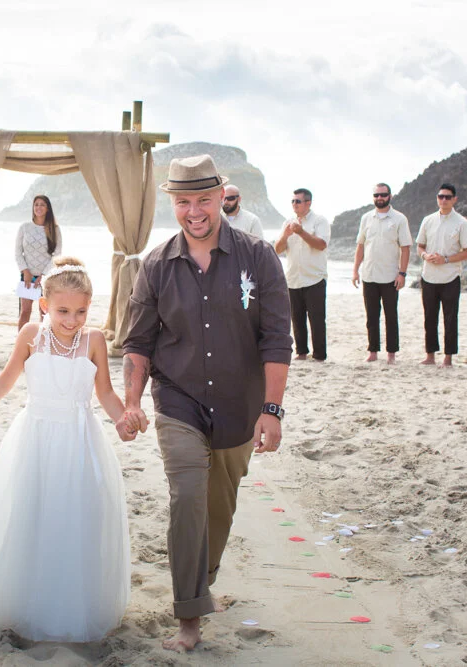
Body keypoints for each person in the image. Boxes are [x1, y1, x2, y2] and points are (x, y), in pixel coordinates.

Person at [123, 155, 292, 652]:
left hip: (241, 404)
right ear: (172, 204)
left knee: (219, 507)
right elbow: (138, 343)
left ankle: (204, 579)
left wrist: (272, 409)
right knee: (188, 498)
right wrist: (132, 401)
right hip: (178, 401)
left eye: (203, 199)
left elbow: (277, 339)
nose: (194, 211)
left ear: (222, 196)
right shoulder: (154, 266)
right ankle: (189, 617)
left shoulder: (259, 258)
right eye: (183, 202)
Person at [0, 256, 133, 642]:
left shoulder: (94, 341)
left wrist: (123, 419)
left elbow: (104, 392)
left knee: (73, 517)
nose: (71, 320)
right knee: (31, 512)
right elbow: (4, 382)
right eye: (62, 311)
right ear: (44, 306)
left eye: (80, 311)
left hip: (78, 438)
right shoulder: (30, 336)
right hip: (34, 437)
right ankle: (26, 599)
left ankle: (69, 601)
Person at [351, 183, 412, 363]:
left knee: (391, 316)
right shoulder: (366, 218)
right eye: (376, 195)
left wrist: (402, 273)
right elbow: (360, 245)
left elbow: (406, 248)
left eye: (383, 195)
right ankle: (373, 351)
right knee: (371, 316)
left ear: (390, 196)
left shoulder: (400, 219)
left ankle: (391, 353)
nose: (380, 198)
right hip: (369, 275)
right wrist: (355, 271)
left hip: (390, 276)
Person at [416, 183, 467, 367]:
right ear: (437, 198)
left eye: (448, 197)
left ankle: (448, 357)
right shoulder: (428, 220)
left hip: (450, 277)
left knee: (450, 318)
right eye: (441, 196)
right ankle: (430, 355)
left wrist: (446, 259)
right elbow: (419, 246)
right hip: (428, 277)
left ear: (454, 199)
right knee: (429, 317)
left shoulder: (461, 223)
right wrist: (425, 255)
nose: (444, 200)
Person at [274, 188, 330, 361]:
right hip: (293, 278)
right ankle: (302, 352)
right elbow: (278, 249)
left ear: (308, 203)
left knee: (317, 319)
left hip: (314, 277)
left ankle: (319, 355)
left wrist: (301, 232)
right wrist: (285, 235)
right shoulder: (287, 222)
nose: (294, 204)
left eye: (298, 201)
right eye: (292, 201)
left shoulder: (320, 221)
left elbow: (321, 245)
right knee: (297, 319)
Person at [14, 194, 61, 330]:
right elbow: (18, 252)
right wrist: (25, 271)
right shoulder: (24, 227)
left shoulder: (55, 229)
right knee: (25, 311)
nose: (38, 207)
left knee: (44, 312)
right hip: (27, 276)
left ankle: (42, 343)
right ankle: (21, 342)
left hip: (47, 277)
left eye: (42, 205)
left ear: (47, 209)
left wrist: (44, 275)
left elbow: (57, 254)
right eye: (36, 204)